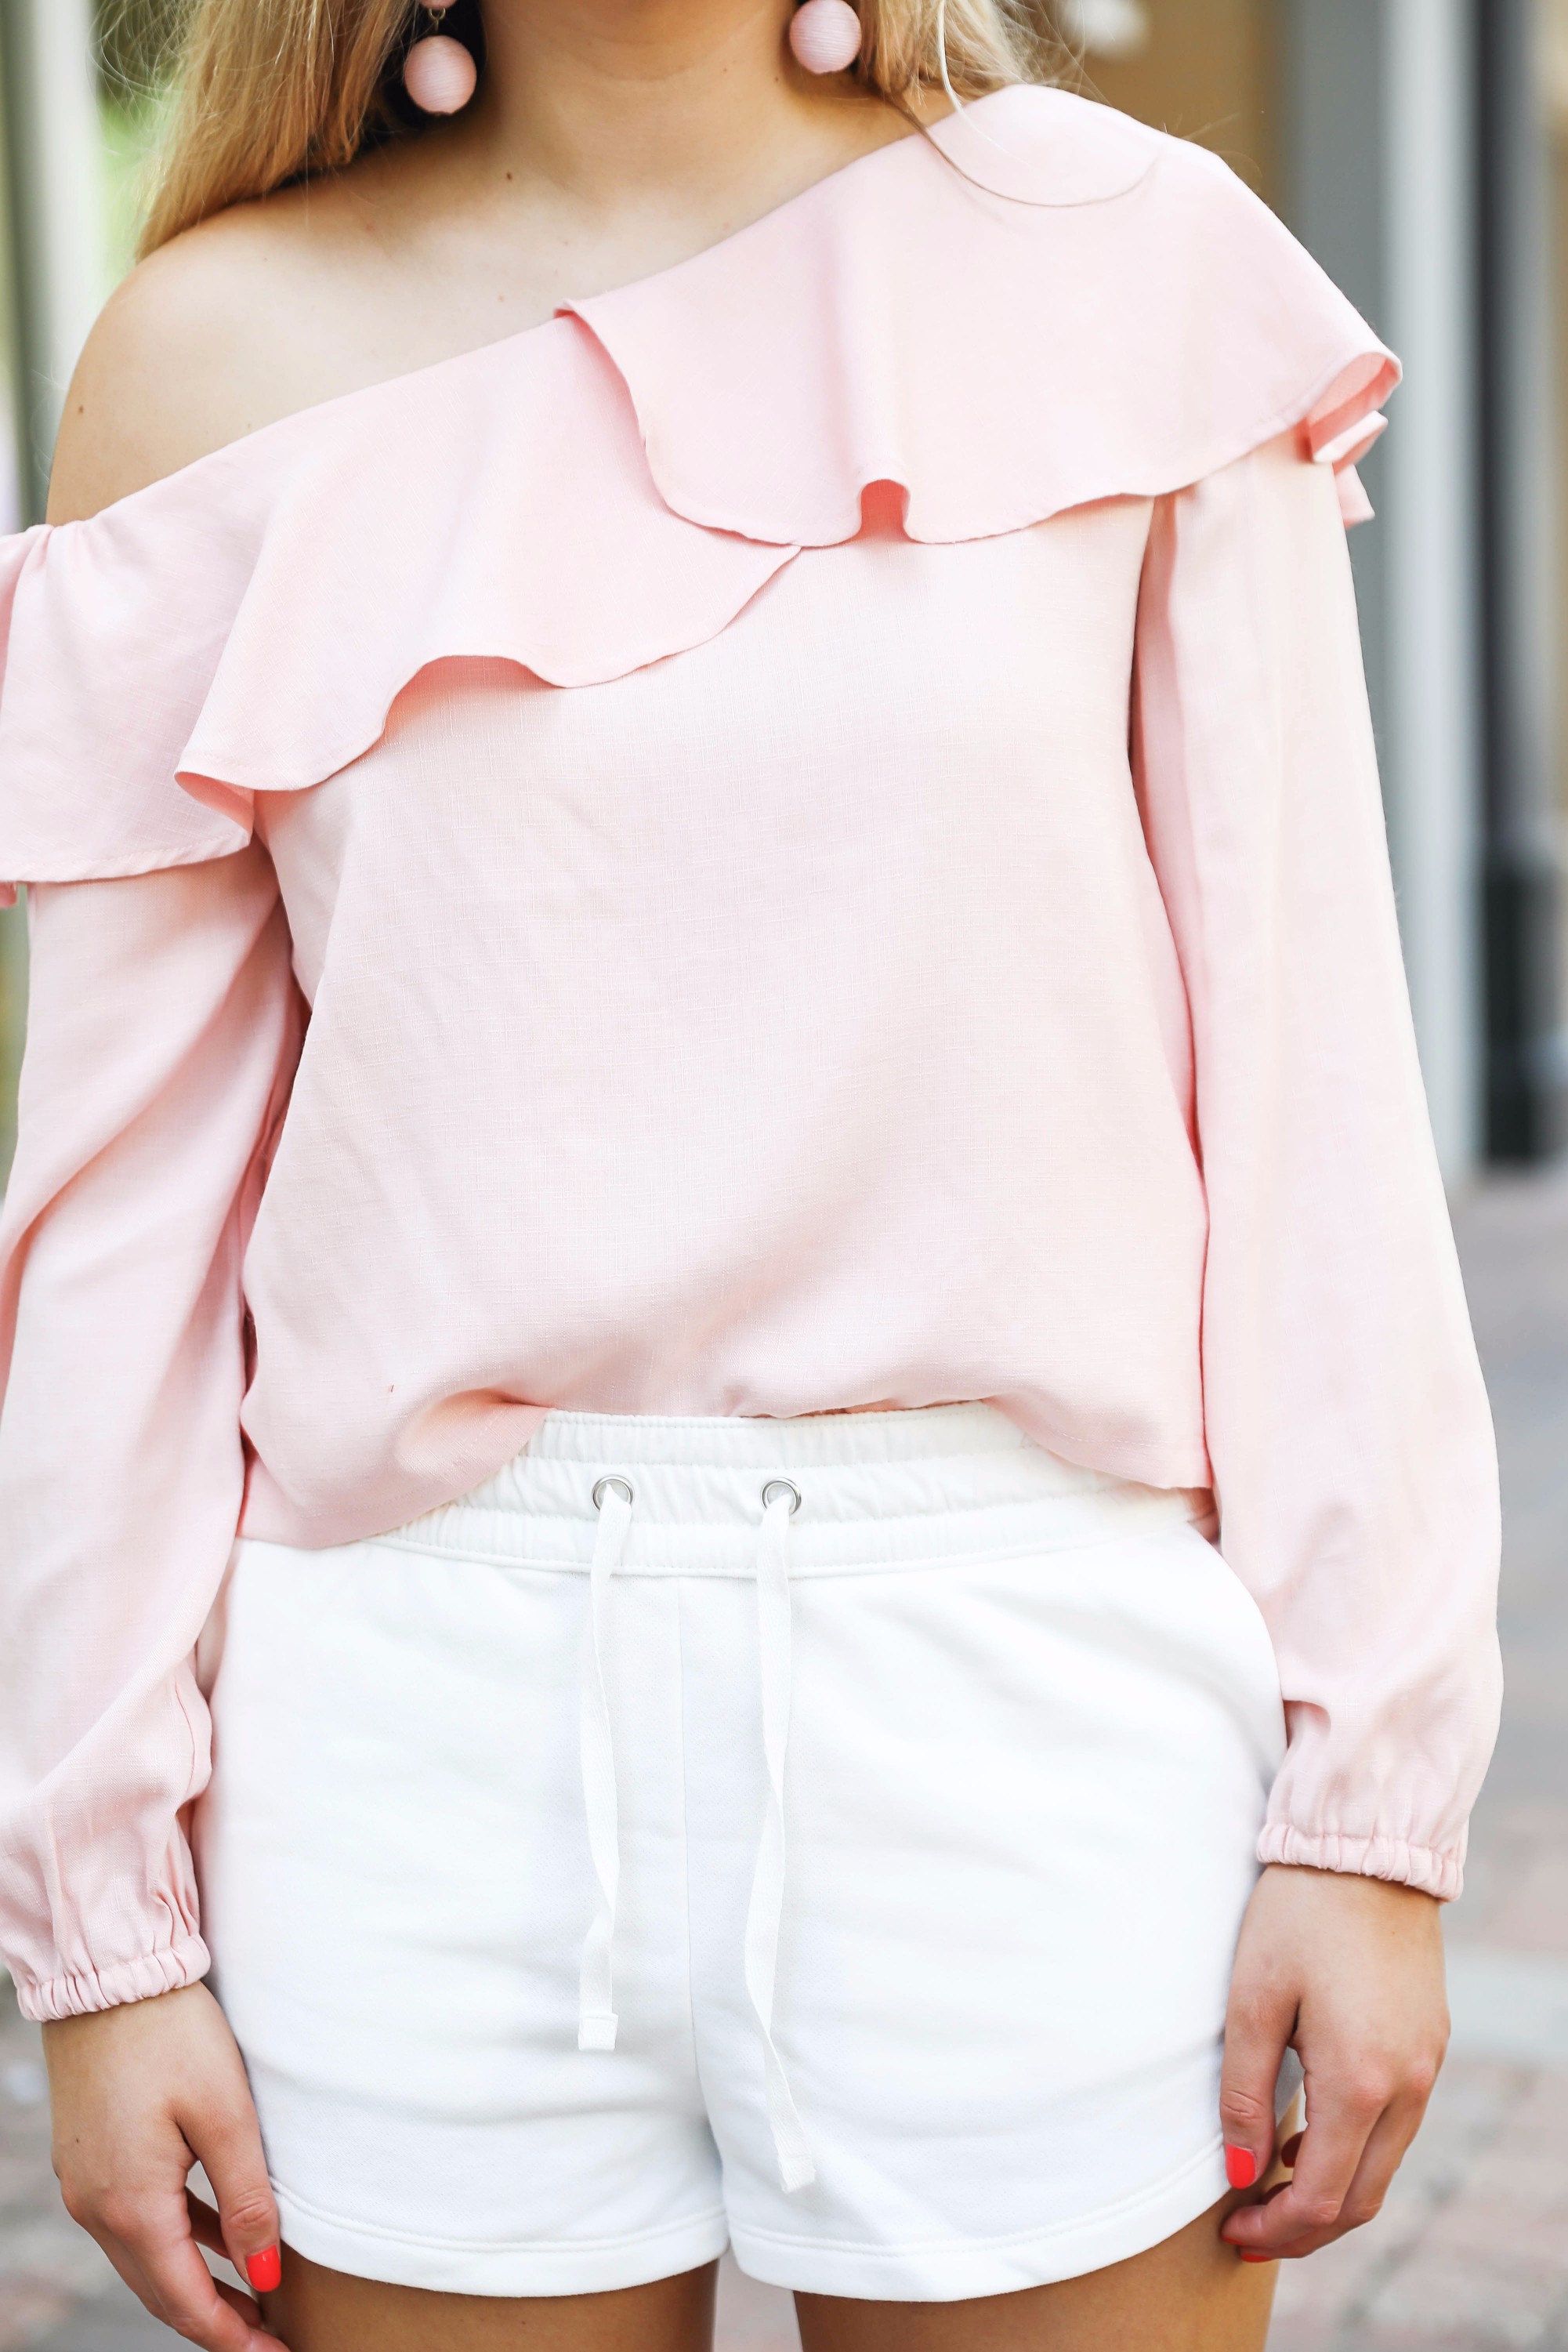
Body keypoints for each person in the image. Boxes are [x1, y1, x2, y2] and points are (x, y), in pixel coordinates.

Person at [0, 0, 1501, 2346]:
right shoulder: (201, 361)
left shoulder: (1130, 265)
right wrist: (99, 1928)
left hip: (1026, 1691)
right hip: (403, 1741)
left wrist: (1366, 1802)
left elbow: (1311, 1093)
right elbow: (117, 1242)